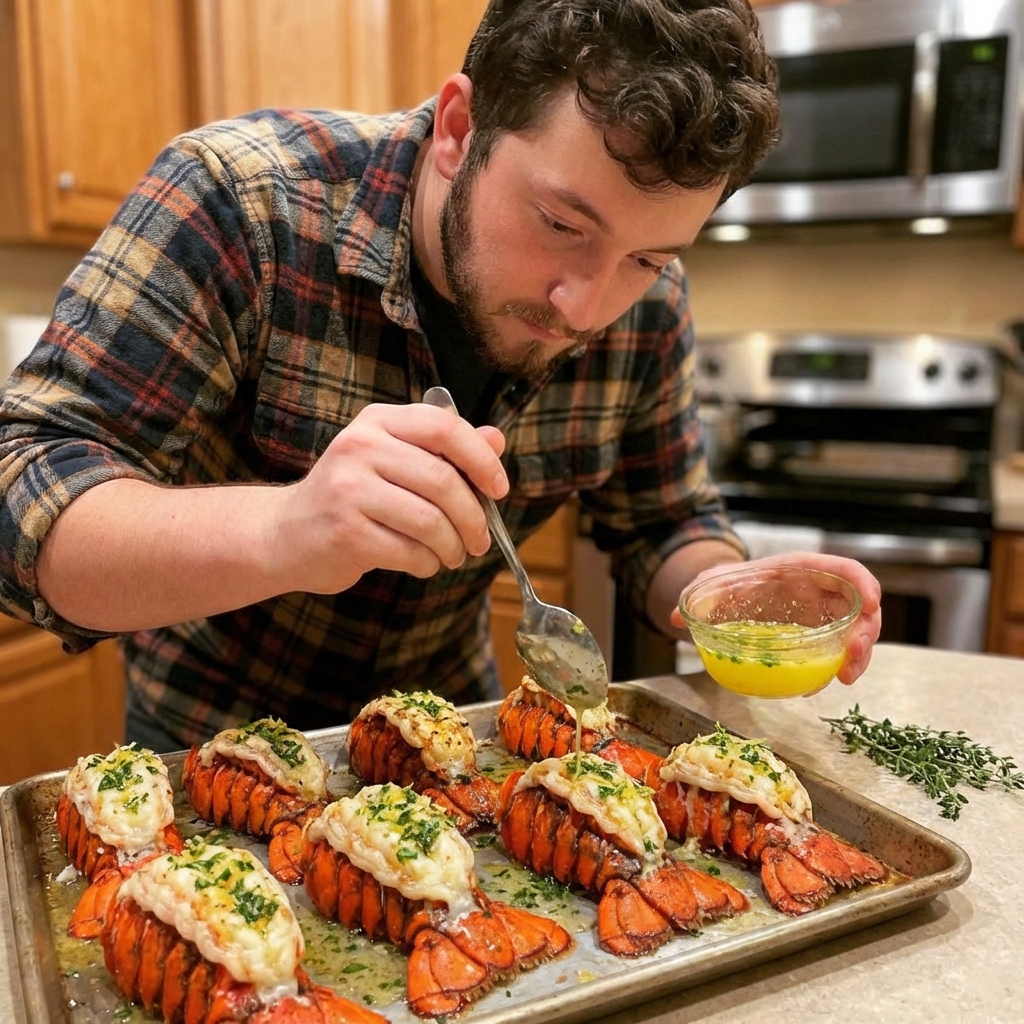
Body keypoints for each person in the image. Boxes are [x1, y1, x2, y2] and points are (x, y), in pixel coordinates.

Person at [0, 0, 880, 753]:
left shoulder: (649, 308)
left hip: (453, 734)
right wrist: (285, 530)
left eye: (645, 255)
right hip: (210, 745)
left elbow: (666, 520)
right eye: (560, 223)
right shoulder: (243, 199)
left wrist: (728, 592)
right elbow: (21, 484)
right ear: (460, 129)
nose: (583, 304)